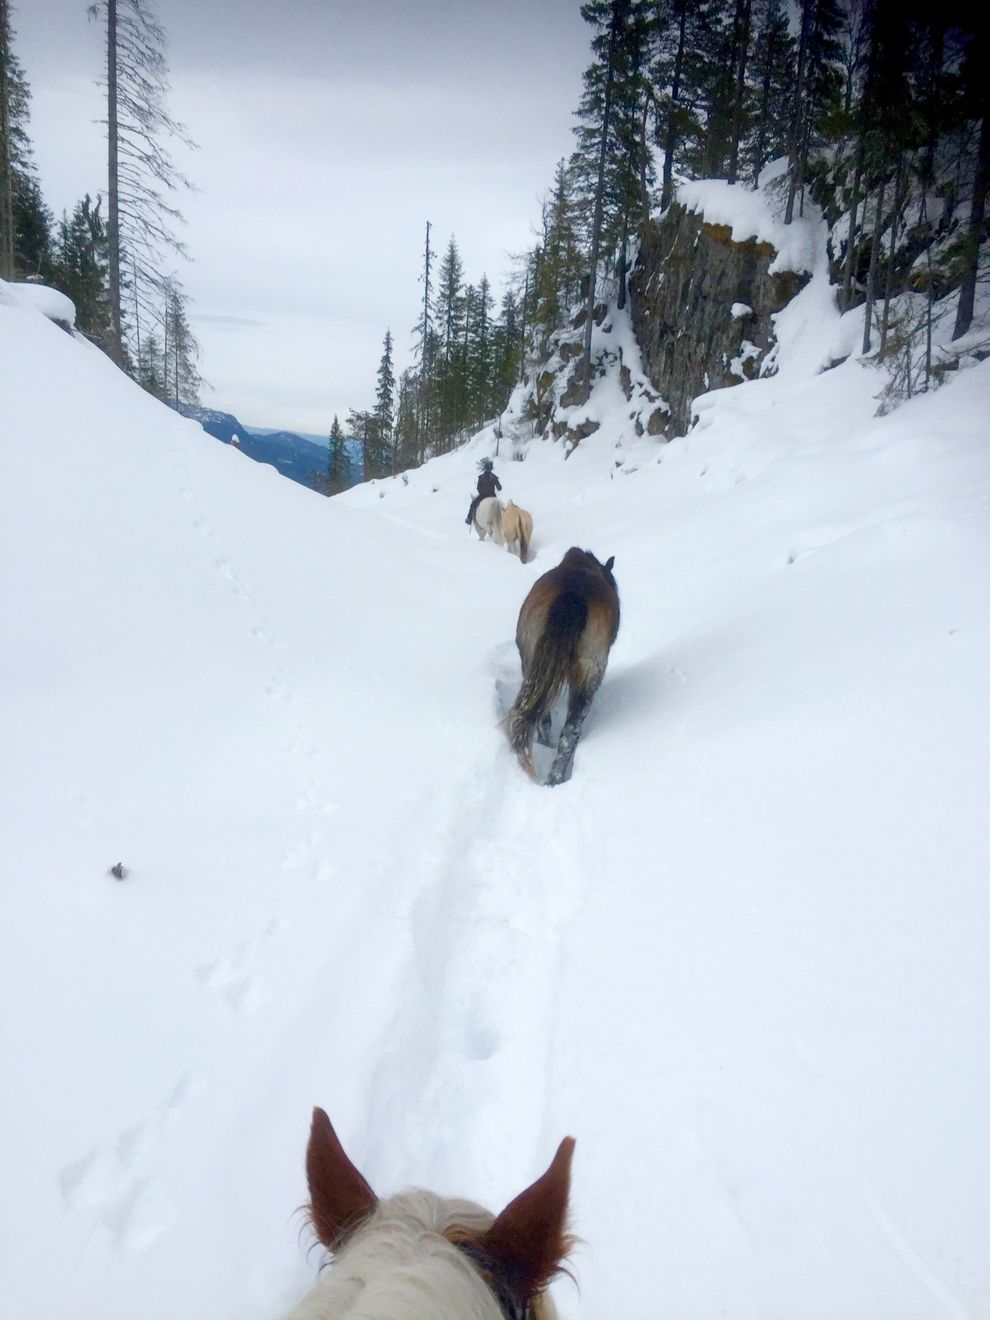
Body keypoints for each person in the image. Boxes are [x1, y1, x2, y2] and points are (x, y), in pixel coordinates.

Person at [465, 458, 502, 525]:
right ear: (491, 468)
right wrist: (496, 482)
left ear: (485, 468)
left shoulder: (481, 477)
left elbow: (478, 488)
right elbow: (499, 488)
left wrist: (482, 491)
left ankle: (469, 519)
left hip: (482, 496)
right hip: (492, 495)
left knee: (473, 505)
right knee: (500, 507)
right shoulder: (494, 477)